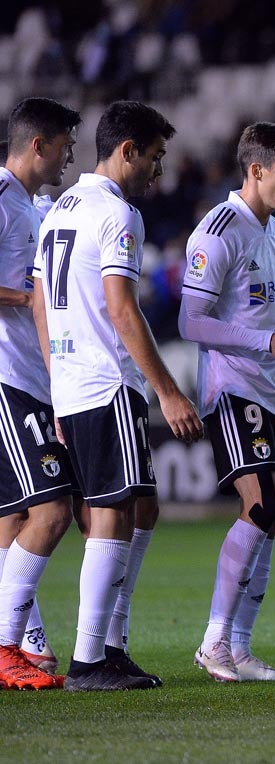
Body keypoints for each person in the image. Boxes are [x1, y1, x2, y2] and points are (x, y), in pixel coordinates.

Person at [32, 100, 203, 691]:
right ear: (127, 150)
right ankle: (89, 660)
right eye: (154, 158)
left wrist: (55, 383)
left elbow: (41, 303)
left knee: (141, 505)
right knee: (112, 513)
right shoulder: (117, 214)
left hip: (74, 382)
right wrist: (169, 392)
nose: (158, 172)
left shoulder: (60, 208)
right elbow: (122, 309)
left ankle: (111, 642)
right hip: (105, 383)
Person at [182, 122, 275, 682]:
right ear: (256, 170)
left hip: (272, 387)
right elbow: (193, 321)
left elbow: (263, 313)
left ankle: (239, 648)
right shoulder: (218, 230)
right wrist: (271, 342)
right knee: (260, 504)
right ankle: (214, 643)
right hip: (232, 386)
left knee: (272, 514)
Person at [0, 96, 81, 690]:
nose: (70, 155)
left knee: (16, 514)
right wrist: (28, 299)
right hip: (8, 379)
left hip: (35, 377)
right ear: (38, 145)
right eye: (64, 145)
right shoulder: (2, 197)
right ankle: (9, 643)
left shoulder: (35, 205)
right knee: (52, 509)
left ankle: (19, 638)